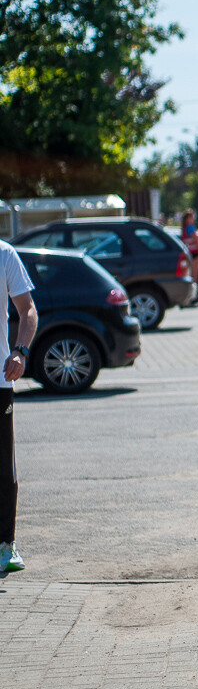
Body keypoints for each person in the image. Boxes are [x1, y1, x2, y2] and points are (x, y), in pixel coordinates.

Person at [1, 238, 38, 572]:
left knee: (1, 464)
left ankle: (5, 545)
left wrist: (20, 351)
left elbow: (27, 310)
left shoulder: (4, 254)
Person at [180, 209, 198, 304]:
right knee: (195, 276)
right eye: (192, 216)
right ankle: (195, 296)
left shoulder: (184, 228)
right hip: (194, 253)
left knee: (190, 275)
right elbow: (197, 240)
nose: (194, 218)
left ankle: (189, 296)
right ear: (189, 218)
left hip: (188, 254)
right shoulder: (190, 228)